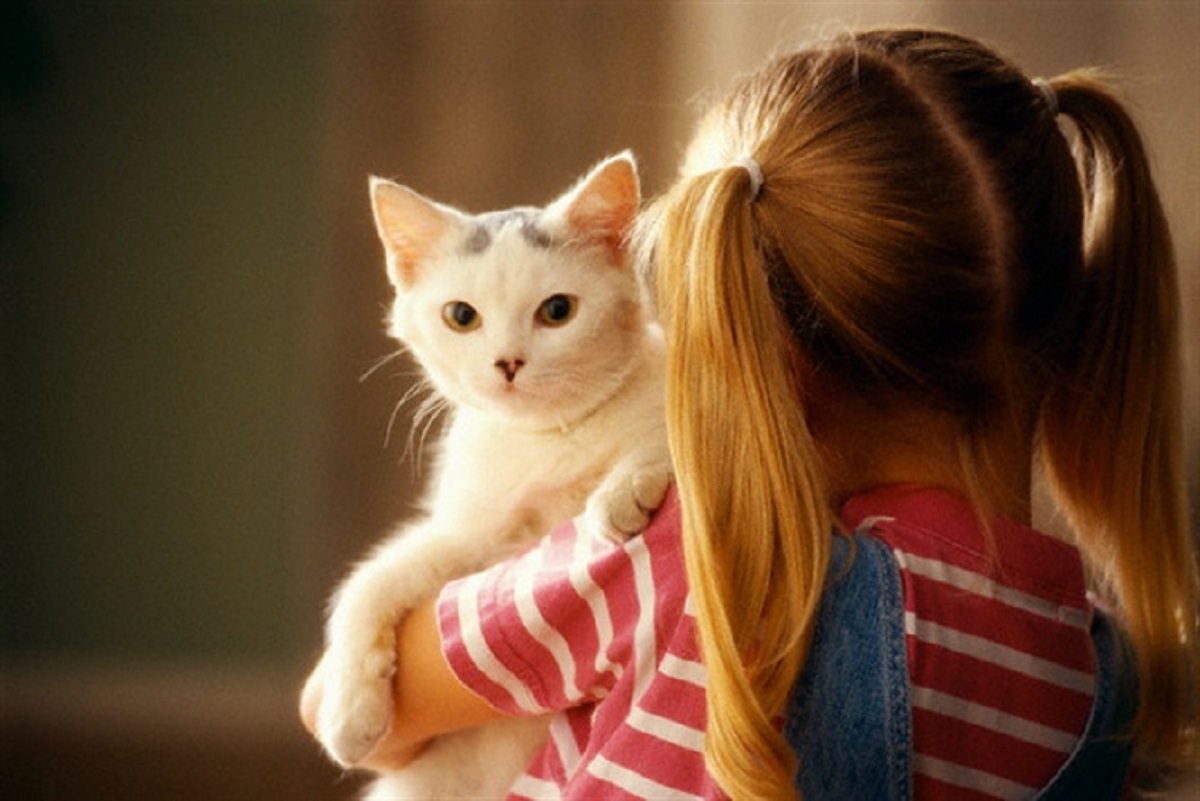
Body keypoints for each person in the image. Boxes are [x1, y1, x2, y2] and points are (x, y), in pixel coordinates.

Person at [302, 27, 1198, 799]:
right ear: (1076, 321)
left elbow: (356, 717)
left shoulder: (692, 553)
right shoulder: (1103, 679)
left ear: (755, 334)